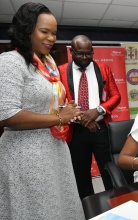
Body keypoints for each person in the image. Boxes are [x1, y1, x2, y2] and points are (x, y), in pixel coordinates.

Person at [0, 2, 85, 219]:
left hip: (53, 149)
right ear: (26, 30)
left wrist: (65, 111)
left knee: (57, 207)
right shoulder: (10, 62)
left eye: (54, 33)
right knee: (38, 210)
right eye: (44, 32)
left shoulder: (47, 64)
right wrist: (59, 116)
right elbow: (7, 115)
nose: (51, 38)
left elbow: (41, 104)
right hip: (26, 155)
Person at [58, 35, 121, 199]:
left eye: (88, 54)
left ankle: (114, 202)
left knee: (108, 170)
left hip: (101, 130)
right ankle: (88, 207)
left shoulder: (103, 68)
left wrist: (99, 110)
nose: (85, 58)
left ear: (93, 51)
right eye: (80, 54)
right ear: (72, 52)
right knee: (81, 174)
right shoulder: (61, 71)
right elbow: (58, 102)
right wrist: (82, 118)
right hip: (76, 132)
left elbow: (116, 96)